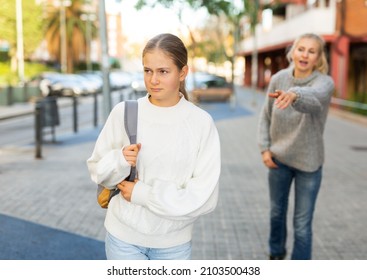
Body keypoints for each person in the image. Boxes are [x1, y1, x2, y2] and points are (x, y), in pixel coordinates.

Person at [87, 33, 221, 260]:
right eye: (148, 70)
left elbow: (204, 197)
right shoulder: (125, 112)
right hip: (123, 239)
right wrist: (120, 160)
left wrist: (143, 194)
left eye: (163, 71)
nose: (153, 80)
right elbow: (97, 170)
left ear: (183, 72)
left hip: (173, 245)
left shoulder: (201, 123)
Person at [257, 33, 335, 260]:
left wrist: (294, 95)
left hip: (309, 164)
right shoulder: (279, 78)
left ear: (318, 57)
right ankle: (276, 255)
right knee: (276, 213)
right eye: (301, 49)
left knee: (302, 224)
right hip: (278, 159)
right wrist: (264, 148)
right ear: (293, 52)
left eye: (312, 51)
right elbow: (265, 116)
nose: (305, 55)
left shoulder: (324, 82)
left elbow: (314, 99)